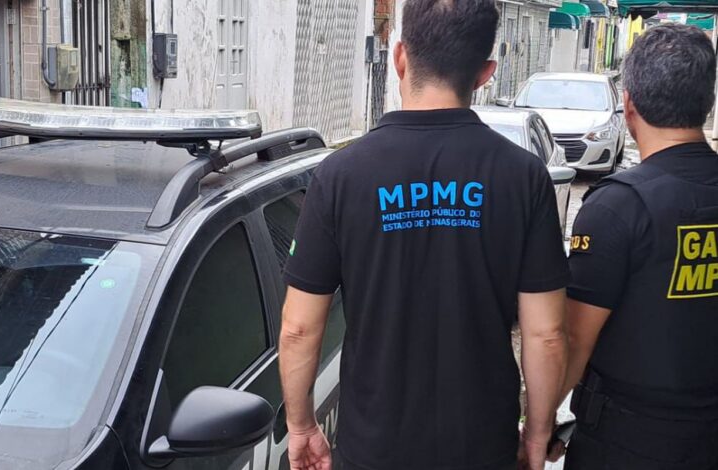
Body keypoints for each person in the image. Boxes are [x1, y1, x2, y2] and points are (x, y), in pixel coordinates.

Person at [277, 1, 570, 469]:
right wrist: (537, 434)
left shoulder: (340, 177)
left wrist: (301, 426)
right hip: (482, 448)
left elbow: (298, 328)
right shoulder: (524, 177)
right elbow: (547, 333)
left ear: (399, 57)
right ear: (485, 73)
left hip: (373, 451)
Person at [560, 24, 718, 469]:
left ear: (628, 105)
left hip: (626, 441)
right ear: (707, 102)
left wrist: (536, 428)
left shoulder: (617, 207)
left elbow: (574, 339)